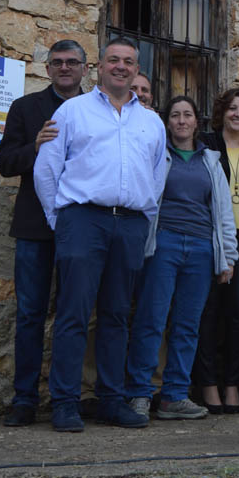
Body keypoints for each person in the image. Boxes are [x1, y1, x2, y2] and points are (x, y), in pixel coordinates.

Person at [33, 37, 168, 431]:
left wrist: (142, 216)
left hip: (129, 223)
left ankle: (111, 399)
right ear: (100, 66)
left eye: (128, 61)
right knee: (73, 314)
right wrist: (60, 220)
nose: (121, 67)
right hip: (83, 220)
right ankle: (65, 403)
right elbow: (47, 169)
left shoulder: (151, 121)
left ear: (136, 69)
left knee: (115, 315)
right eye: (113, 60)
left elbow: (157, 175)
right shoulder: (72, 111)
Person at [124, 95, 238, 421]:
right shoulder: (159, 155)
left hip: (202, 248)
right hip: (164, 244)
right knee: (151, 320)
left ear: (196, 122)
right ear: (167, 122)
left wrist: (227, 257)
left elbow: (224, 213)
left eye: (187, 115)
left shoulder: (211, 161)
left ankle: (174, 395)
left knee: (188, 326)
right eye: (175, 115)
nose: (181, 121)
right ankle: (140, 394)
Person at [0, 40, 86, 427]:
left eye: (72, 62)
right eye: (57, 63)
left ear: (85, 68)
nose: (64, 68)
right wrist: (34, 147)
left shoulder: (95, 110)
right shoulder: (25, 108)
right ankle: (25, 400)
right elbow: (4, 164)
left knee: (74, 315)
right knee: (30, 315)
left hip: (81, 228)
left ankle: (67, 401)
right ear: (47, 69)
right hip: (35, 226)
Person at [195, 87, 239, 414]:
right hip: (212, 237)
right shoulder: (207, 144)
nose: (238, 114)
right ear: (222, 111)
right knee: (209, 313)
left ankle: (233, 384)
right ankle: (208, 384)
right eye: (233, 109)